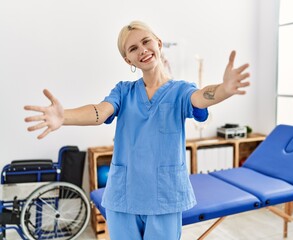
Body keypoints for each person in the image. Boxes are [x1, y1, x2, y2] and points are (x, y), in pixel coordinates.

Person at [24, 20, 250, 240]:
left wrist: (224, 90)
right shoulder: (123, 91)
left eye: (146, 42)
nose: (142, 50)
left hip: (164, 198)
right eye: (133, 48)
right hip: (123, 197)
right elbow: (100, 112)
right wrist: (65, 117)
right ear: (127, 59)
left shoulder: (180, 90)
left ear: (158, 43)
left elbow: (202, 97)